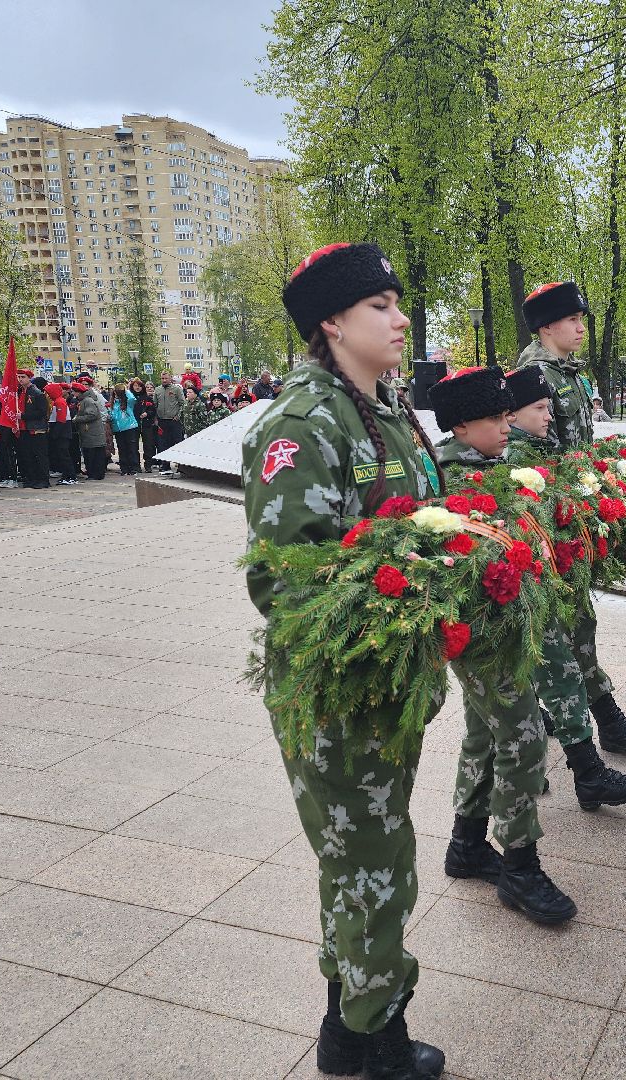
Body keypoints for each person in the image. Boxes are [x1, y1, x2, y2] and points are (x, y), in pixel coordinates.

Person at [243, 241, 445, 1080]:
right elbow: (284, 584)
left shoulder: (386, 410)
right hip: (337, 696)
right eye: (380, 307)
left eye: (399, 304)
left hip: (390, 685)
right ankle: (380, 1039)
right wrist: (404, 589)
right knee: (374, 863)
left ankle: (342, 1032)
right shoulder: (301, 428)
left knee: (363, 855)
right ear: (331, 322)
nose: (401, 320)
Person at [430, 366, 579, 925]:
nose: (505, 424)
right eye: (494, 418)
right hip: (483, 632)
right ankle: (520, 864)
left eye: (505, 415)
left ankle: (467, 843)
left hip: (507, 624)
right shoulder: (449, 477)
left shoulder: (496, 465)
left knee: (483, 733)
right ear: (463, 426)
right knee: (522, 735)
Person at [514, 281, 626, 761]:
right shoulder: (535, 376)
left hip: (574, 510)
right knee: (566, 625)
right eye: (572, 320)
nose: (581, 327)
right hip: (553, 516)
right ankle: (589, 725)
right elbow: (533, 455)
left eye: (583, 319)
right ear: (545, 327)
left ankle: (572, 721)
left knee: (577, 620)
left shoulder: (570, 375)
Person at [15, 369, 51, 488]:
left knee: (39, 455)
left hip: (37, 429)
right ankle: (32, 478)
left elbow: (42, 412)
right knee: (28, 455)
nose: (20, 379)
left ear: (29, 378)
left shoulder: (37, 393)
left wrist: (23, 416)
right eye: (19, 377)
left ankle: (43, 480)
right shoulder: (20, 392)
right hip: (25, 428)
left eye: (23, 377)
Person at [74, 378, 110, 480]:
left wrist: (77, 419)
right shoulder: (85, 400)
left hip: (92, 433)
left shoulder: (88, 401)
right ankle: (93, 473)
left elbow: (92, 415)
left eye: (74, 392)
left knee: (94, 455)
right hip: (90, 433)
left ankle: (95, 474)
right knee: (91, 455)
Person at [46, 383, 76, 485]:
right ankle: (67, 475)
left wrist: (55, 434)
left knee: (64, 455)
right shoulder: (57, 401)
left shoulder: (59, 402)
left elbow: (61, 419)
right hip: (60, 432)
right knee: (62, 455)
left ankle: (70, 476)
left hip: (62, 433)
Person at [108, 383, 141, 475]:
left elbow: (132, 398)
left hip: (129, 427)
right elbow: (111, 414)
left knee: (131, 448)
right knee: (122, 449)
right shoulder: (113, 403)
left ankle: (134, 467)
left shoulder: (128, 402)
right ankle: (124, 468)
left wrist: (125, 390)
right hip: (118, 429)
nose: (117, 394)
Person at [153, 371, 186, 455]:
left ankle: (180, 465)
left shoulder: (176, 389)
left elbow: (183, 404)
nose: (164, 380)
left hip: (174, 421)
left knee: (178, 443)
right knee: (163, 444)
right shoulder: (157, 390)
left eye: (166, 378)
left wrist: (178, 416)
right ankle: (165, 465)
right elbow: (154, 405)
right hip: (162, 421)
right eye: (162, 378)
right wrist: (156, 418)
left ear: (170, 378)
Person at [131, 378, 158, 472]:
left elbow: (152, 410)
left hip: (146, 424)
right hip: (134, 425)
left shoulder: (147, 397)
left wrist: (147, 413)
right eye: (135, 385)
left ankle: (148, 465)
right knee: (134, 446)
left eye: (139, 386)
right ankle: (136, 466)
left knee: (148, 445)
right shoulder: (130, 397)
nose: (137, 387)